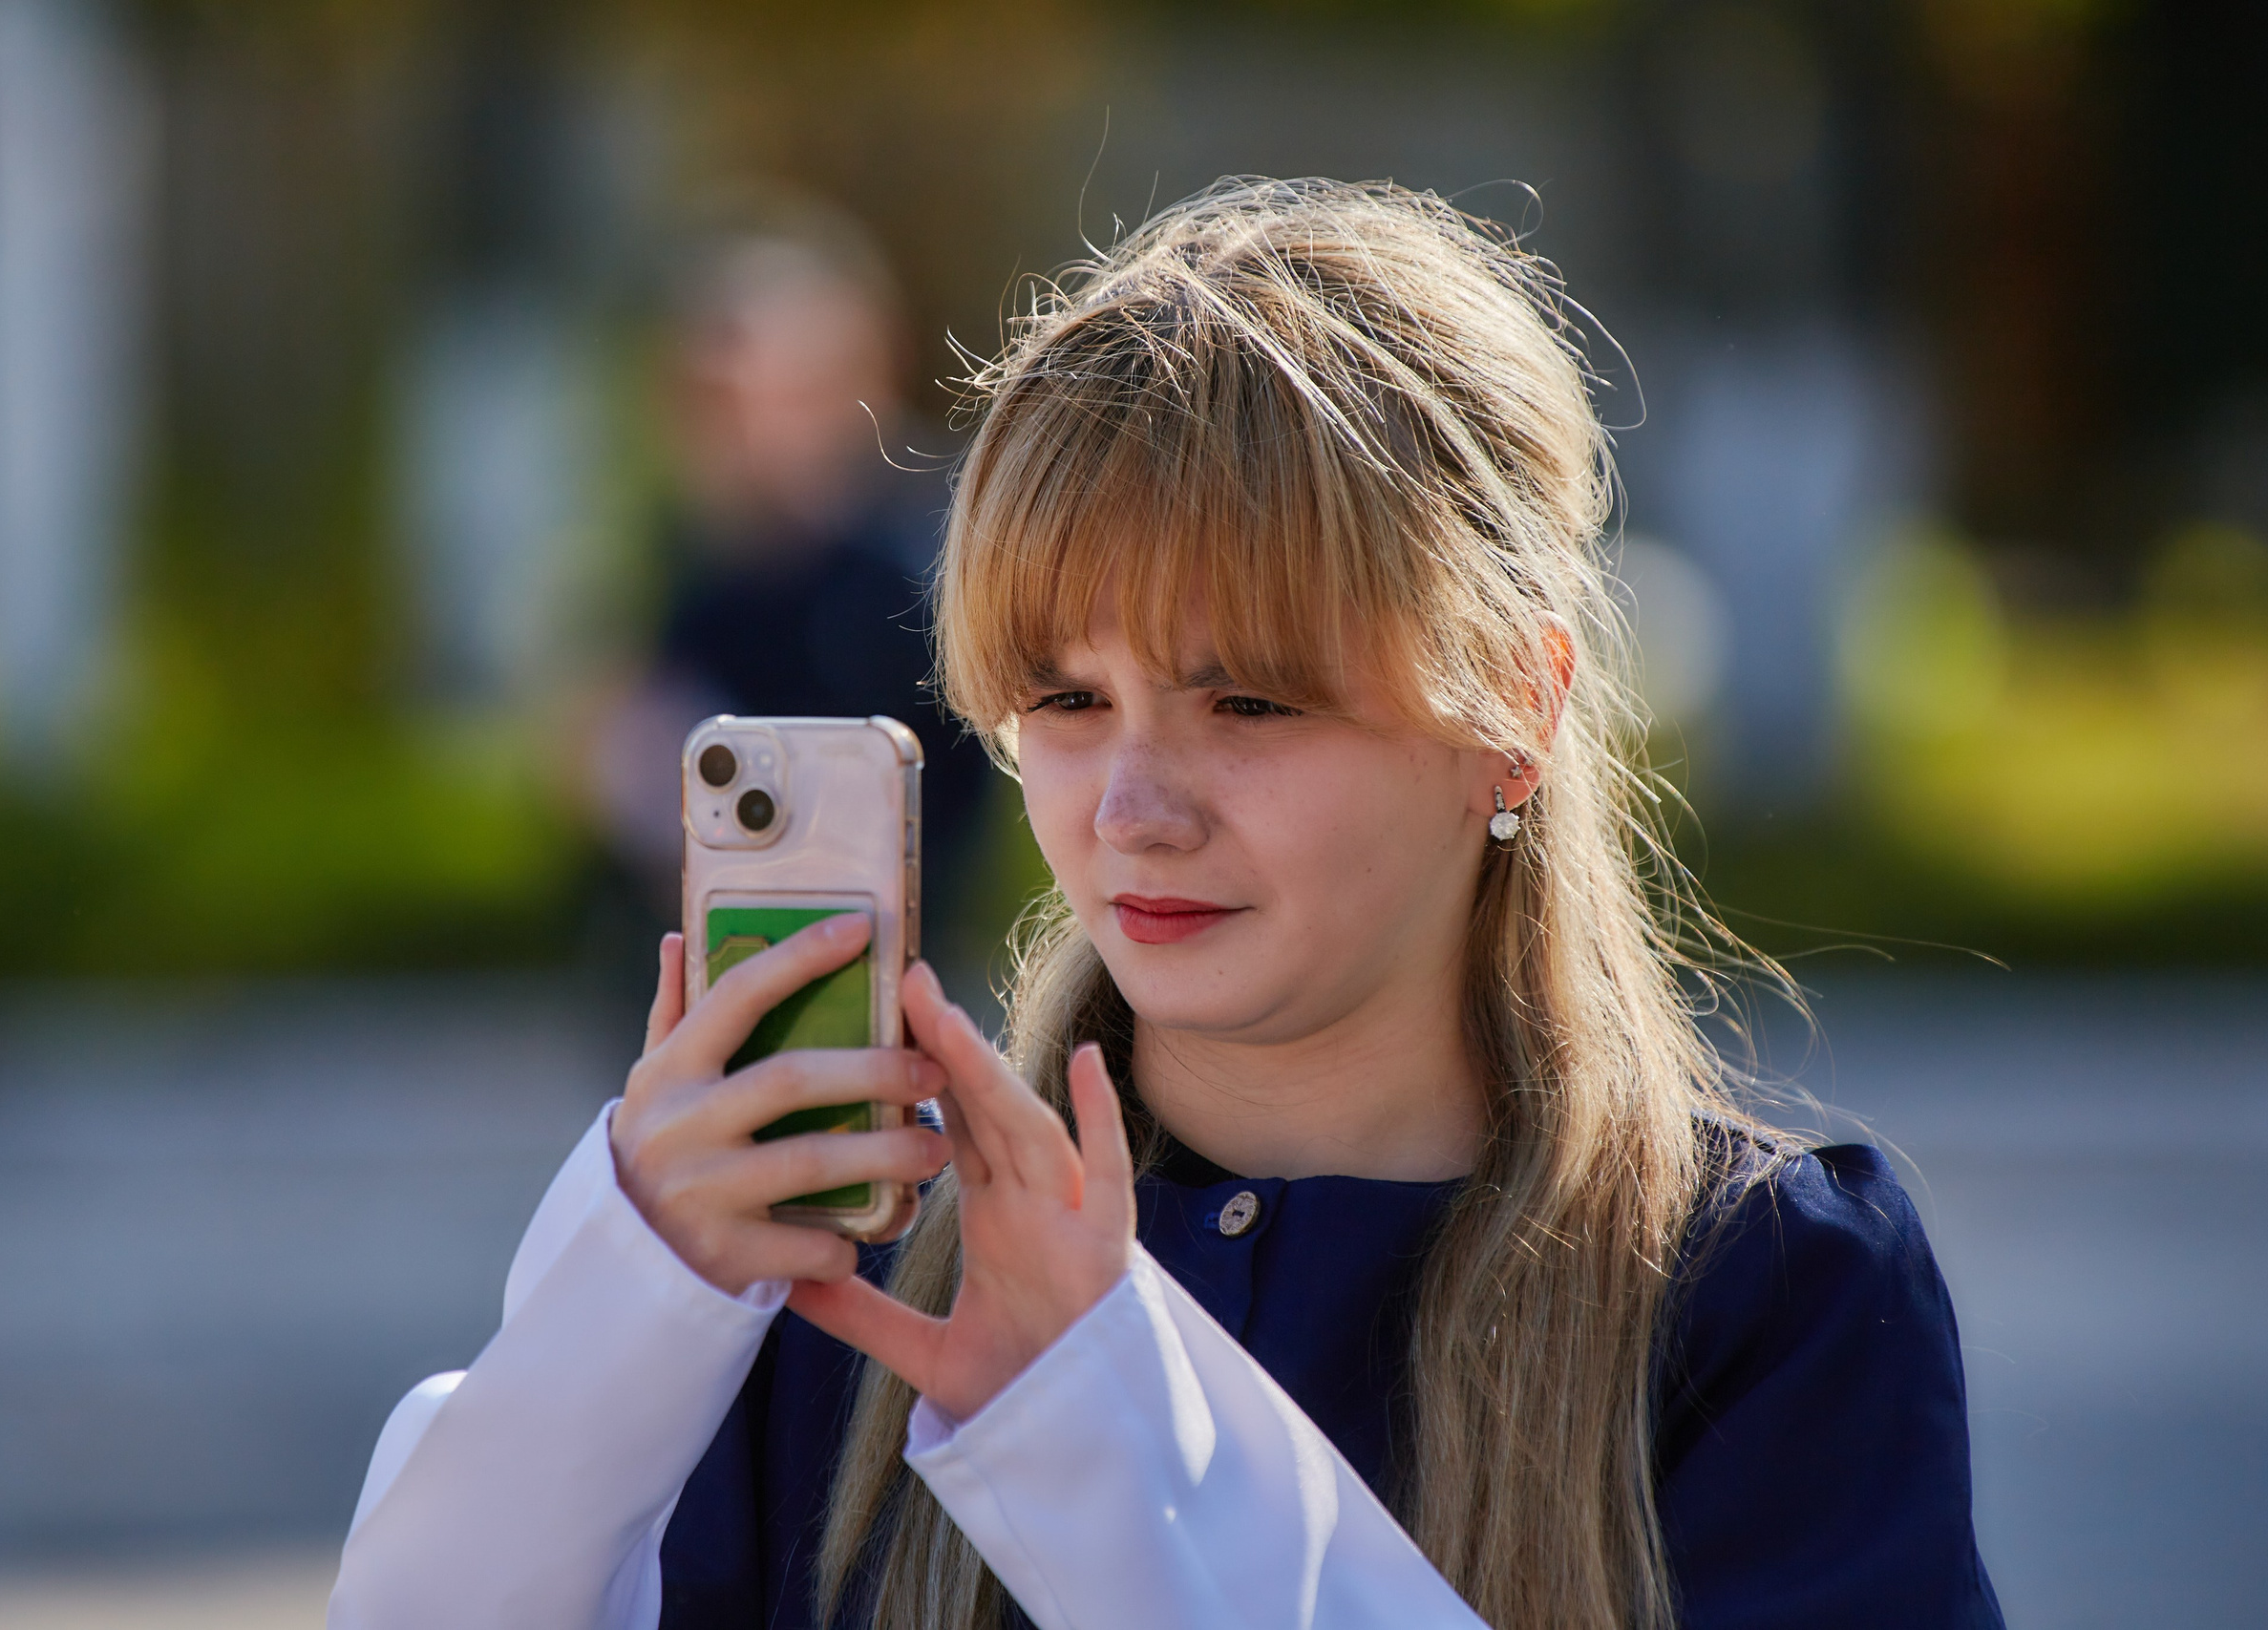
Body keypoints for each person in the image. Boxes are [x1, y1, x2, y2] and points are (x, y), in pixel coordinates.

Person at [331, 179, 2003, 1630]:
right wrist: (623, 1300)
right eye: (1061, 701)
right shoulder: (832, 1277)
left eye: (1251, 702)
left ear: (1516, 697)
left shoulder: (1764, 1295)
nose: (1131, 806)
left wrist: (1102, 1434)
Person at [585, 205, 990, 934]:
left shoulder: (916, 572)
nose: (714, 429)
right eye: (693, 395)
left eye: (735, 393)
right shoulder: (697, 565)